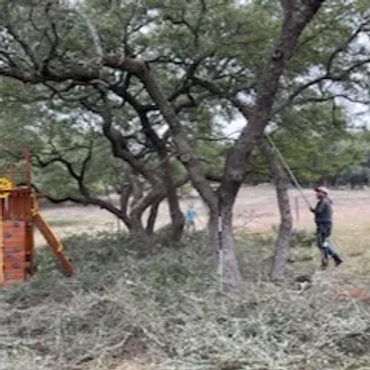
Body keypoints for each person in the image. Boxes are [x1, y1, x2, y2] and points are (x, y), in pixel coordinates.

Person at [310, 186, 342, 269]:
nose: (317, 194)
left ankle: (327, 262)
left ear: (323, 193)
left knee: (322, 244)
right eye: (317, 192)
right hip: (324, 225)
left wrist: (313, 210)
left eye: (319, 192)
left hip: (323, 225)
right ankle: (335, 259)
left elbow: (319, 211)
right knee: (323, 243)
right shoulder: (324, 201)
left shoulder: (324, 201)